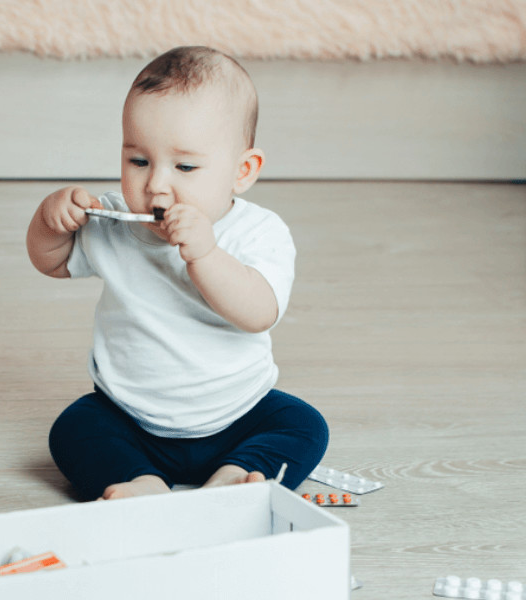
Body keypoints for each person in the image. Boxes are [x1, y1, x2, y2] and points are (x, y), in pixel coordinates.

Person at [25, 45, 328, 501]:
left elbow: (259, 312)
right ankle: (138, 481)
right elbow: (51, 262)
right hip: (129, 414)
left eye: (185, 166)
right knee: (73, 429)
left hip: (238, 413)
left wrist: (205, 254)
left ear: (242, 171)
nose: (155, 185)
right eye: (138, 161)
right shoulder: (111, 219)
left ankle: (237, 473)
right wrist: (48, 221)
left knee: (304, 427)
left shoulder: (258, 231)